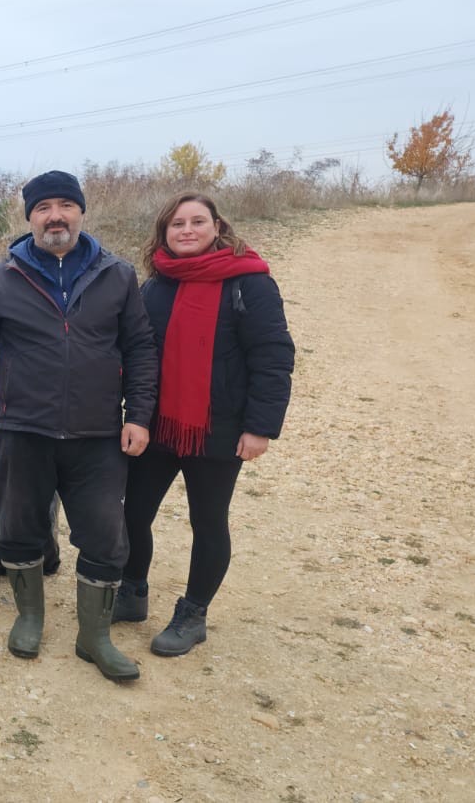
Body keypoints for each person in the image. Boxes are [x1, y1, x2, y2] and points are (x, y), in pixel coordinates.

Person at [0, 170, 157, 682]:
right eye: (44, 208)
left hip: (98, 433)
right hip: (24, 428)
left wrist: (141, 416)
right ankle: (30, 615)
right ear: (30, 218)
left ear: (82, 213)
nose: (56, 216)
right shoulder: (5, 277)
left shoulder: (117, 274)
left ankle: (95, 636)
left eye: (66, 205)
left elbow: (140, 350)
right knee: (19, 530)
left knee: (106, 536)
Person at [115, 192, 294, 657]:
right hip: (157, 424)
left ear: (217, 227)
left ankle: (193, 614)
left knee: (208, 522)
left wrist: (260, 428)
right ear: (165, 232)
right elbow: (136, 353)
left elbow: (273, 358)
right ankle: (132, 592)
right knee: (133, 511)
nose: (187, 230)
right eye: (178, 224)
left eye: (197, 222)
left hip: (219, 428)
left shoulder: (249, 283)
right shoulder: (155, 285)